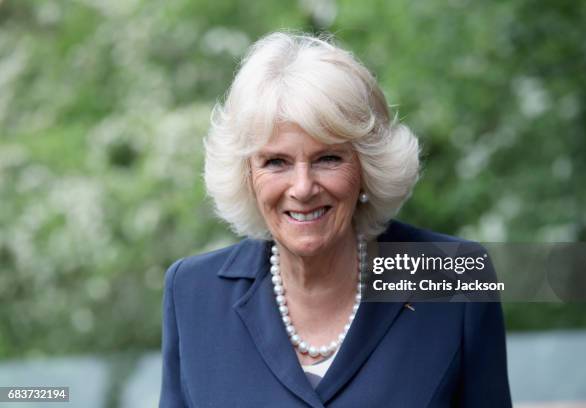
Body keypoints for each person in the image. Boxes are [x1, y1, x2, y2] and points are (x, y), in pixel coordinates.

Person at [159, 32, 512, 407]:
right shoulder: (191, 292)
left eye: (327, 158)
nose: (302, 187)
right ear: (247, 175)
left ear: (366, 166)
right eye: (276, 162)